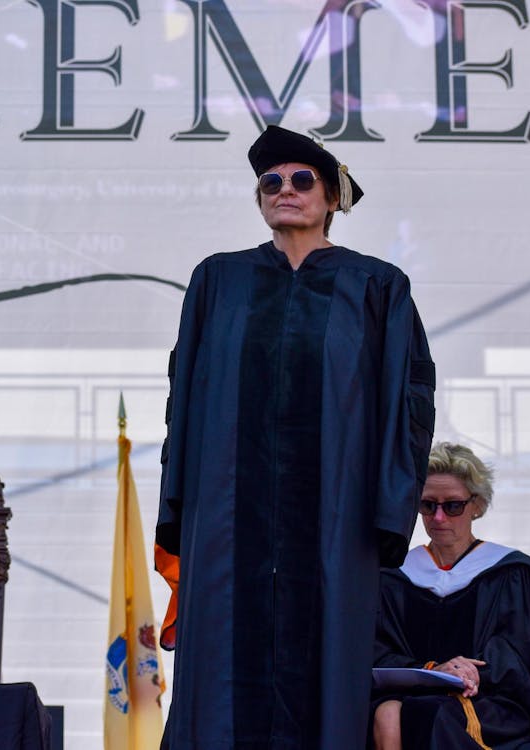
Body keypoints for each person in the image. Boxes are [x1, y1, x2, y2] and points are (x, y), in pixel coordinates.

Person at [155, 125, 436, 750]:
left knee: (324, 668)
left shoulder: (377, 286)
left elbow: (409, 399)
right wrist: (180, 509)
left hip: (336, 519)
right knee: (222, 672)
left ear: (333, 196)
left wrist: (388, 510)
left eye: (302, 180)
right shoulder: (218, 281)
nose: (285, 190)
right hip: (228, 519)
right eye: (270, 182)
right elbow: (185, 397)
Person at [371, 442, 530, 750]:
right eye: (427, 505)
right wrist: (431, 669)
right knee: (386, 713)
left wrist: (464, 672)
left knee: (429, 712)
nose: (438, 518)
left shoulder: (512, 573)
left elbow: (516, 655)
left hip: (487, 701)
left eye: (452, 506)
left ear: (476, 505)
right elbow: (376, 650)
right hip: (414, 694)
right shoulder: (394, 576)